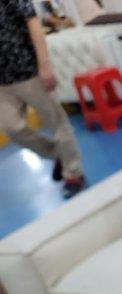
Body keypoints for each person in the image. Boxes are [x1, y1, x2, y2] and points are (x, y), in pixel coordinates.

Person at [0, 0, 86, 198]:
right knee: (13, 129)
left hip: (30, 72)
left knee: (57, 124)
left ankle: (73, 173)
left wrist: (44, 65)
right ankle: (59, 154)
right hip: (3, 83)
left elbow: (33, 22)